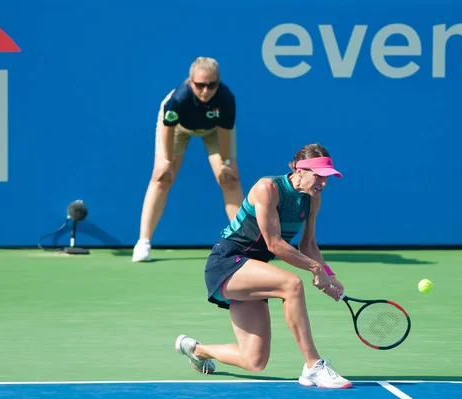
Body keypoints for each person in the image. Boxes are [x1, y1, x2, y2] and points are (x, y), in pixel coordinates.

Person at [174, 143, 352, 389]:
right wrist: (315, 269)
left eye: (327, 178)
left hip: (253, 272)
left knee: (254, 360)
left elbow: (308, 244)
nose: (322, 182)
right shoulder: (267, 188)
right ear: (299, 170)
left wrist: (329, 275)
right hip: (226, 264)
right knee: (292, 285)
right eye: (318, 176)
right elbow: (275, 245)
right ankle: (313, 366)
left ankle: (196, 349)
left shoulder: (312, 200)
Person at [133, 57, 244, 262]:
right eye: (200, 85)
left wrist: (227, 163)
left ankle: (246, 244)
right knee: (162, 177)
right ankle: (143, 242)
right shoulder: (178, 100)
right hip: (177, 130)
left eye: (211, 85)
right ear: (190, 82)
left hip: (213, 130)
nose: (205, 91)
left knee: (229, 178)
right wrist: (166, 160)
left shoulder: (226, 99)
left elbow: (224, 132)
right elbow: (168, 129)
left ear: (218, 82)